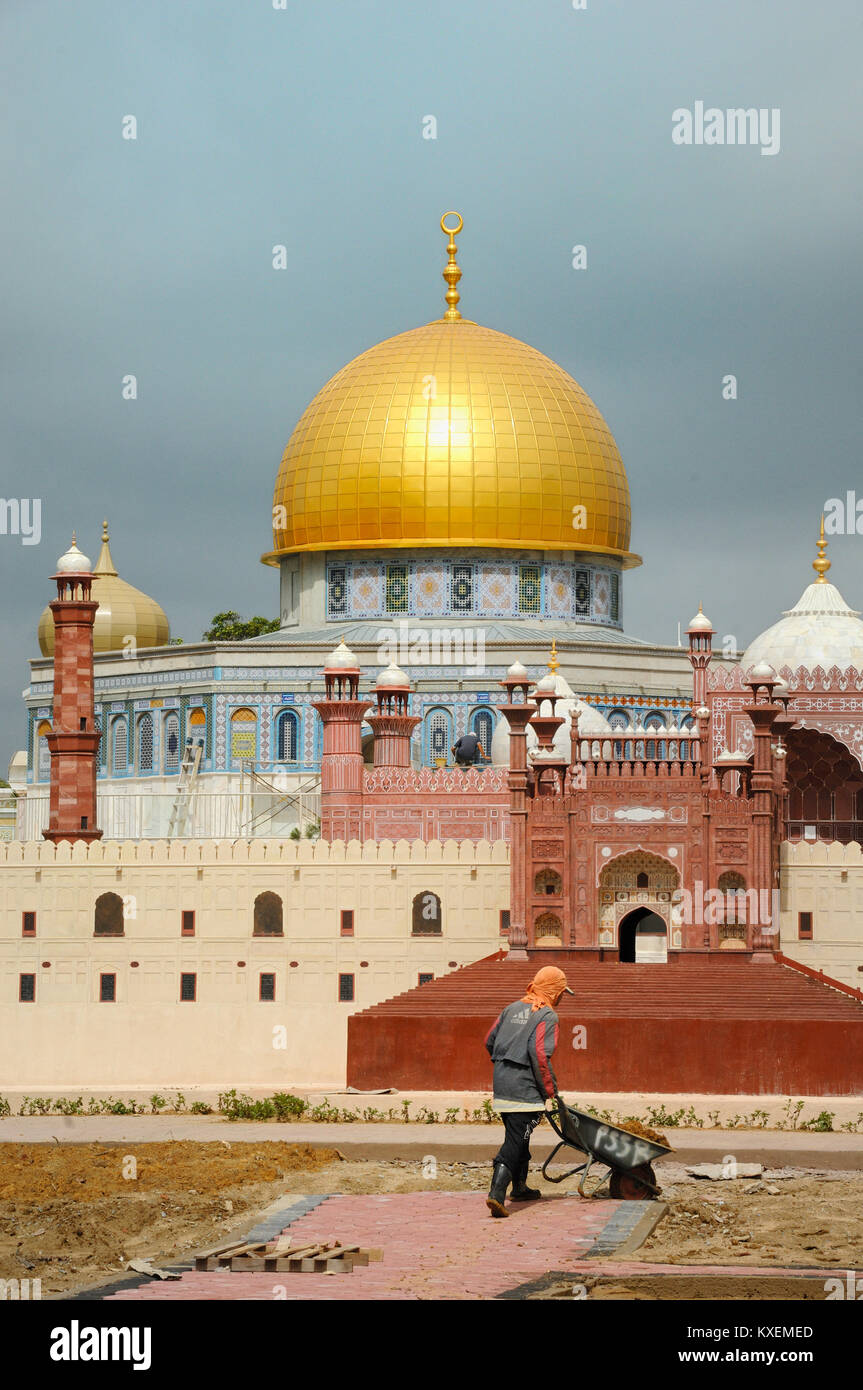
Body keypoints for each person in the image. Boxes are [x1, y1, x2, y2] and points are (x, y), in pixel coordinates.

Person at [484, 965, 573, 1218]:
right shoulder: (547, 1015)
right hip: (525, 1091)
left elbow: (489, 1040)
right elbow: (540, 1055)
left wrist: (504, 1064)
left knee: (520, 1137)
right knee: (515, 1141)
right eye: (561, 992)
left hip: (502, 1085)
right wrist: (550, 1091)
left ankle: (520, 1187)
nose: (562, 997)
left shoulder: (511, 1008)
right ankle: (496, 1194)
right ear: (554, 991)